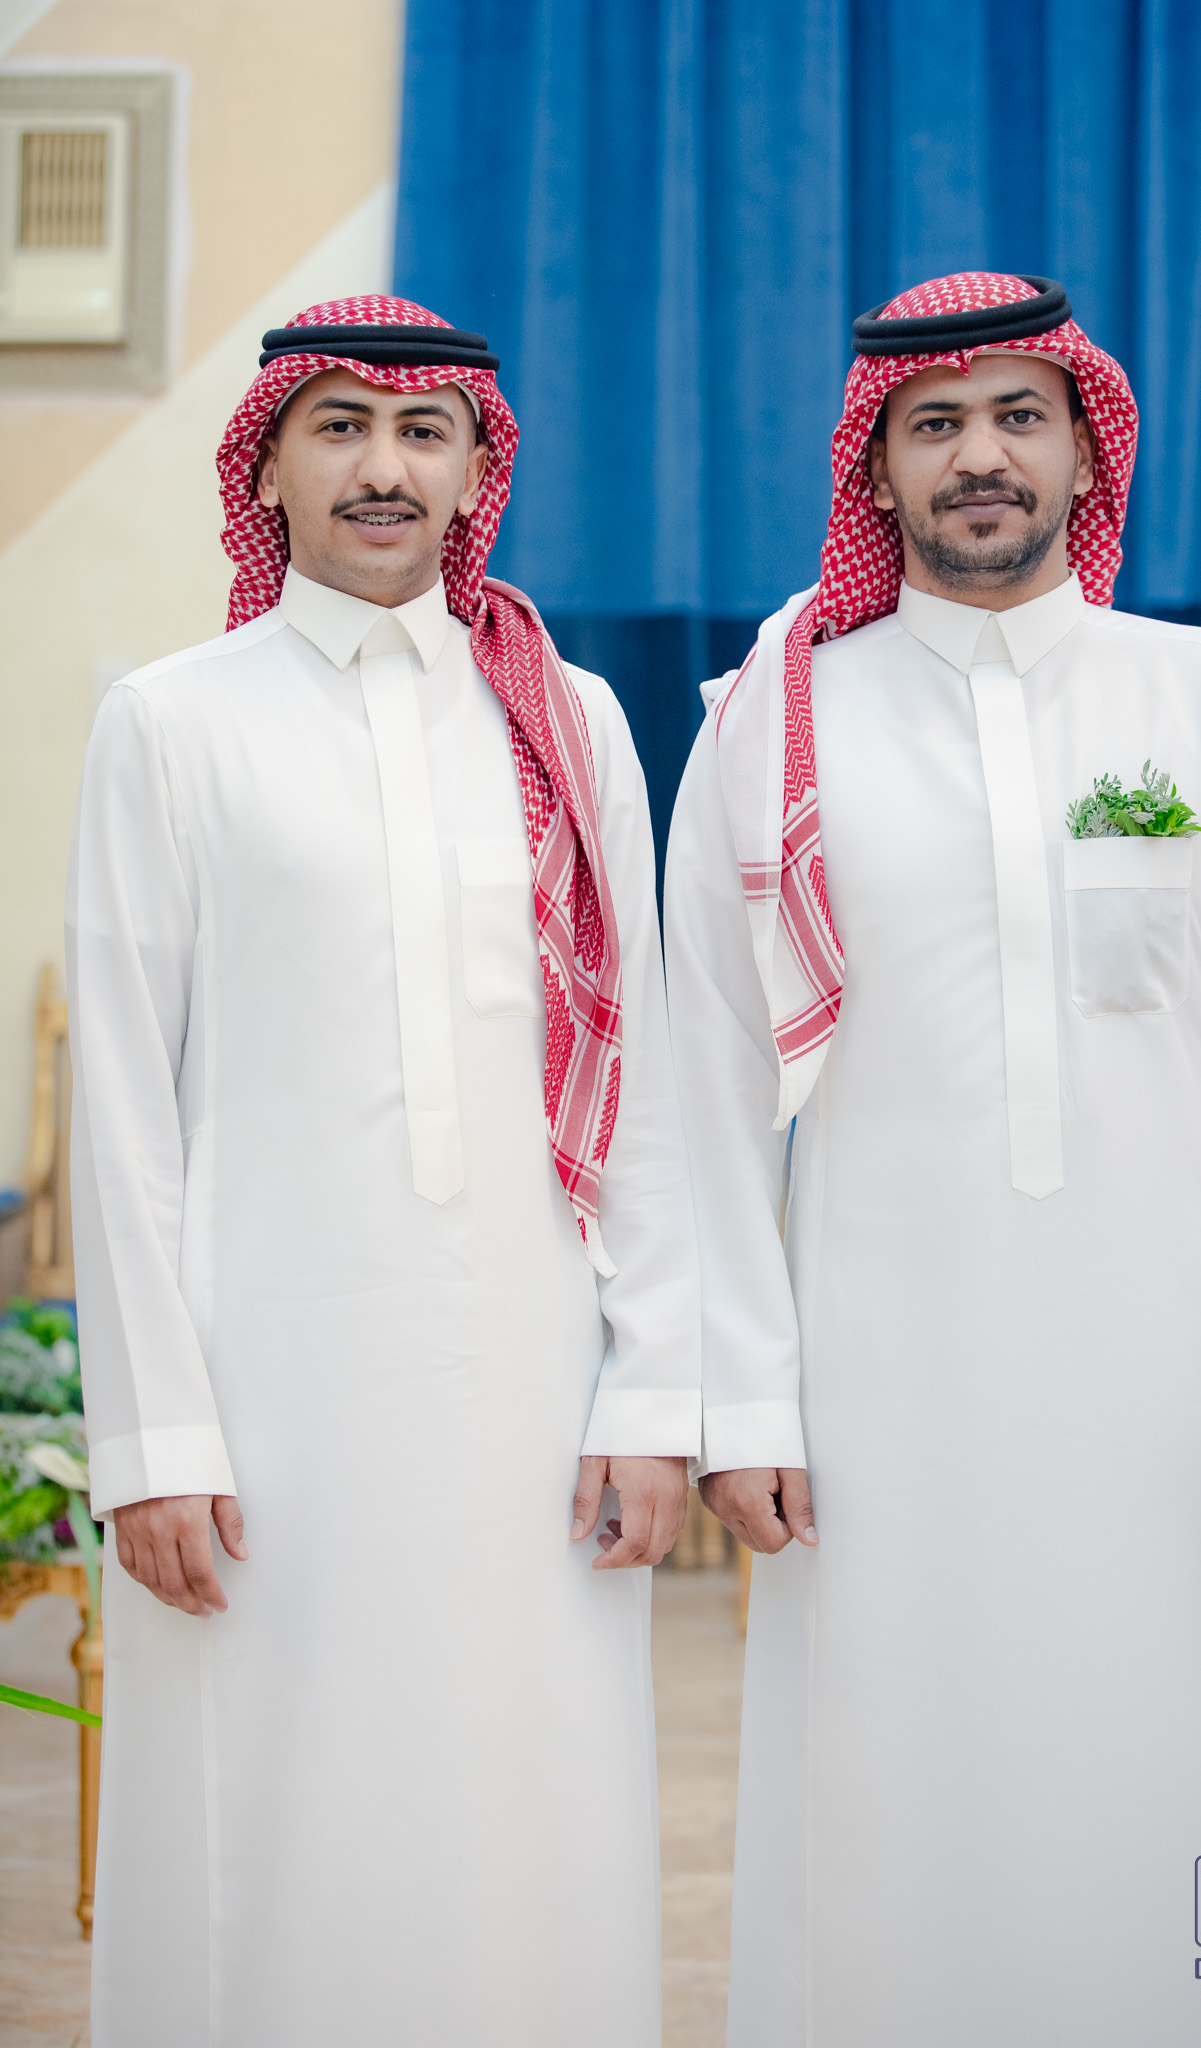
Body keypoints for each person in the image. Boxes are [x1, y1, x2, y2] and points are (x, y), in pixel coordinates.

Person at [663, 271, 1201, 2045]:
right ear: (876, 467)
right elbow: (705, 1086)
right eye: (934, 424)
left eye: (1016, 417)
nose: (979, 456)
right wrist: (742, 1397)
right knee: (899, 1792)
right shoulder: (770, 725)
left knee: (1200, 1770)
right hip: (881, 1389)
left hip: (1181, 1380)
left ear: (1081, 449)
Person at [68, 296, 700, 2047]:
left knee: (524, 1808)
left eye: (424, 433)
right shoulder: (171, 721)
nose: (382, 467)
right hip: (264, 1382)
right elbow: (120, 1103)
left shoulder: (570, 718)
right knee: (274, 1814)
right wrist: (155, 1440)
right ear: (265, 462)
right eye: (338, 426)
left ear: (479, 471)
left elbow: (637, 1078)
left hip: (529, 1375)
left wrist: (652, 1390)